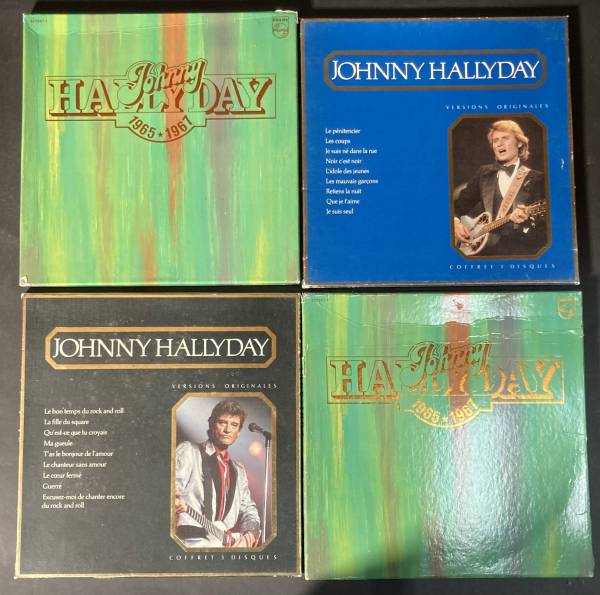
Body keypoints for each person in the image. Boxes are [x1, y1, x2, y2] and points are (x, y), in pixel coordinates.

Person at [453, 119, 547, 257]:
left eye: (505, 138)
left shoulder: (538, 178)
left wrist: (528, 219)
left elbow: (548, 219)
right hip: (485, 252)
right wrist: (455, 224)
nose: (499, 144)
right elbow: (457, 206)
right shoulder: (483, 173)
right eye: (495, 140)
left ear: (519, 143)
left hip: (522, 250)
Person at [174, 399, 260, 548]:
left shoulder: (238, 471)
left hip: (222, 544)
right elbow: (170, 490)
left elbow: (249, 509)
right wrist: (174, 501)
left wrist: (250, 534)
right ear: (211, 423)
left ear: (239, 431)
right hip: (190, 543)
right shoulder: (189, 451)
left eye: (234, 425)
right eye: (222, 422)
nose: (228, 430)